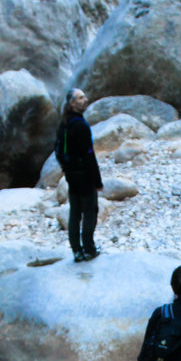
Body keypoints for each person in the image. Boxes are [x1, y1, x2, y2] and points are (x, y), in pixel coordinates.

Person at [55, 88, 103, 262]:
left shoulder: (64, 123)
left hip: (71, 176)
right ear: (72, 103)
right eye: (81, 98)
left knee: (75, 213)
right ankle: (89, 249)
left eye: (84, 96)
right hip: (84, 177)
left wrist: (66, 169)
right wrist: (97, 181)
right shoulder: (81, 126)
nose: (86, 100)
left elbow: (58, 150)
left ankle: (76, 250)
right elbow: (89, 155)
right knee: (90, 212)